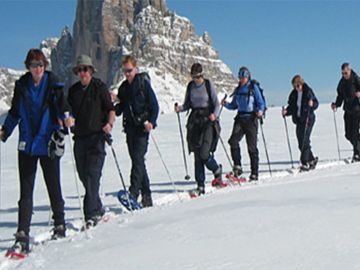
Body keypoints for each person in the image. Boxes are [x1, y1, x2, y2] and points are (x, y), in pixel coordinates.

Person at [0, 49, 72, 254]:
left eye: (40, 65)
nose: (37, 69)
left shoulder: (54, 83)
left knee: (53, 184)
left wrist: (67, 119)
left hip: (47, 141)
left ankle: (59, 223)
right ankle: (22, 234)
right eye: (33, 65)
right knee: (26, 190)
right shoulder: (21, 86)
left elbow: (63, 106)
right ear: (28, 67)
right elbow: (14, 113)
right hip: (27, 144)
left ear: (45, 66)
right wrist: (5, 131)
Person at [67, 54, 115, 227]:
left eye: (85, 69)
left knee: (92, 175)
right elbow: (68, 112)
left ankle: (90, 214)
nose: (82, 73)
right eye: (80, 70)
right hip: (79, 139)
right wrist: (68, 119)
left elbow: (110, 109)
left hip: (97, 138)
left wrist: (109, 124)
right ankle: (98, 206)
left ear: (91, 71)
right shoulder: (73, 92)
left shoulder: (99, 87)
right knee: (83, 176)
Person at [113, 55, 159, 207]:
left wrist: (151, 122)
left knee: (138, 158)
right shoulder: (123, 88)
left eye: (130, 71)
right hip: (130, 129)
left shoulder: (143, 84)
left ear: (136, 69)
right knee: (137, 161)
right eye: (125, 71)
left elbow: (154, 105)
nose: (127, 74)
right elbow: (120, 109)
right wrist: (113, 103)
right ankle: (147, 196)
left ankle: (133, 192)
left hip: (142, 128)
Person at [175, 63, 223, 195]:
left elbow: (216, 104)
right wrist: (180, 108)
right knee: (197, 154)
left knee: (204, 152)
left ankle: (216, 169)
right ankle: (200, 184)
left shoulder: (208, 85)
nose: (195, 79)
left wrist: (215, 115)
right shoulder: (190, 86)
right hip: (195, 121)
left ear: (201, 75)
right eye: (193, 77)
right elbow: (187, 104)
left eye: (197, 77)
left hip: (208, 121)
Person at [222, 67, 265, 181]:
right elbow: (234, 105)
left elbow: (260, 102)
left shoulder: (253, 88)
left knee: (252, 146)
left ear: (248, 77)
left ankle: (254, 172)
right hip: (240, 118)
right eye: (240, 77)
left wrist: (260, 111)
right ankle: (237, 166)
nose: (242, 79)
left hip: (251, 118)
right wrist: (225, 104)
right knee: (233, 141)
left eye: (244, 77)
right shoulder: (239, 89)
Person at [282, 75, 319, 171]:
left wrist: (312, 104)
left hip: (308, 118)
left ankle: (305, 162)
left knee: (305, 140)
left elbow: (316, 103)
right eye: (294, 86)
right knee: (300, 142)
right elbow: (292, 107)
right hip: (299, 120)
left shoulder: (308, 91)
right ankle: (311, 159)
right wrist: (286, 112)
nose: (296, 88)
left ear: (301, 83)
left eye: (298, 85)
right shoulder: (294, 94)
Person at [331, 63, 360, 162]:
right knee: (348, 134)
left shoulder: (356, 79)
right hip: (347, 110)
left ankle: (357, 154)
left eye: (345, 73)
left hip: (357, 109)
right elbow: (340, 96)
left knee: (355, 133)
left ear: (350, 70)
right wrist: (336, 104)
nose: (344, 75)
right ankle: (358, 149)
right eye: (342, 73)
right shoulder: (342, 83)